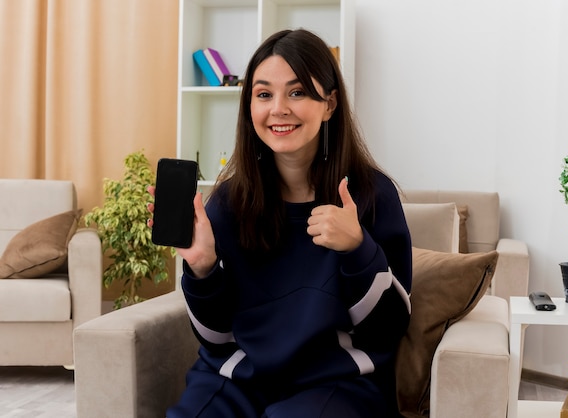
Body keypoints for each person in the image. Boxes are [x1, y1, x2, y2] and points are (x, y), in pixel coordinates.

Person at [149, 29, 412, 418]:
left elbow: (388, 331)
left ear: (330, 104)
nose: (278, 109)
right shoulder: (227, 203)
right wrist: (202, 269)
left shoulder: (373, 196)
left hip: (338, 383)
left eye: (297, 92)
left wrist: (358, 249)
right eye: (264, 94)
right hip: (238, 378)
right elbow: (216, 339)